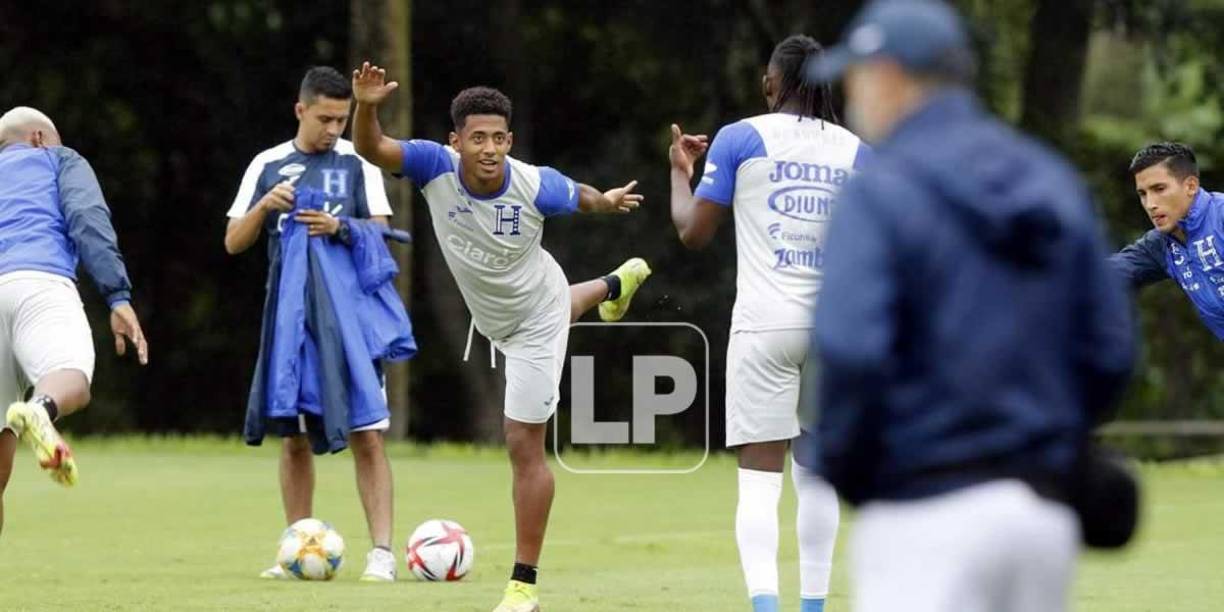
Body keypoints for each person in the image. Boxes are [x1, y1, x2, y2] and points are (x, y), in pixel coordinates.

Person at [805, 2, 1135, 611]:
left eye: (855, 75)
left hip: (922, 510)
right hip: (1041, 519)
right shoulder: (1050, 178)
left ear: (889, 76)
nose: (851, 93)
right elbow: (1111, 350)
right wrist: (1049, 443)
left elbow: (851, 351)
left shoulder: (882, 189)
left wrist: (848, 469)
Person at [351, 62, 652, 612]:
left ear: (509, 141)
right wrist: (366, 106)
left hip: (536, 316)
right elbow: (373, 149)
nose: (488, 148)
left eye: (497, 138)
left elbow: (579, 194)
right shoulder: (431, 165)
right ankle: (613, 284)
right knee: (567, 304)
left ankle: (522, 586)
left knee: (521, 442)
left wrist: (605, 202)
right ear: (456, 141)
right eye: (477, 138)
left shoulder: (532, 183)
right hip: (494, 316)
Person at [669, 34, 868, 612]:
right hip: (832, 330)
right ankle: (813, 607)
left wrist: (681, 172)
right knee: (817, 477)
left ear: (770, 84)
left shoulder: (740, 137)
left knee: (759, 482)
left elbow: (692, 232)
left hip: (764, 326)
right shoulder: (859, 152)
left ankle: (765, 608)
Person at [224, 67, 403, 582]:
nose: (333, 130)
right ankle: (298, 545)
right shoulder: (268, 164)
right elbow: (234, 241)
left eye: (341, 120)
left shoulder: (357, 165)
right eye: (324, 118)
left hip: (351, 321)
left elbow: (382, 236)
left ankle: (383, 553)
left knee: (367, 432)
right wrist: (263, 206)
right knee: (295, 436)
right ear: (300, 110)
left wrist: (339, 226)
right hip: (290, 321)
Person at [0, 106, 149, 534]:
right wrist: (117, 296)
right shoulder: (58, 158)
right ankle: (41, 411)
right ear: (39, 138)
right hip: (39, 282)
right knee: (71, 377)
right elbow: (87, 218)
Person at [1109, 142, 1224, 340]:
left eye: (1159, 189)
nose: (1150, 204)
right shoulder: (1160, 245)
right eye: (1143, 194)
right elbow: (1104, 275)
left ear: (1191, 186)